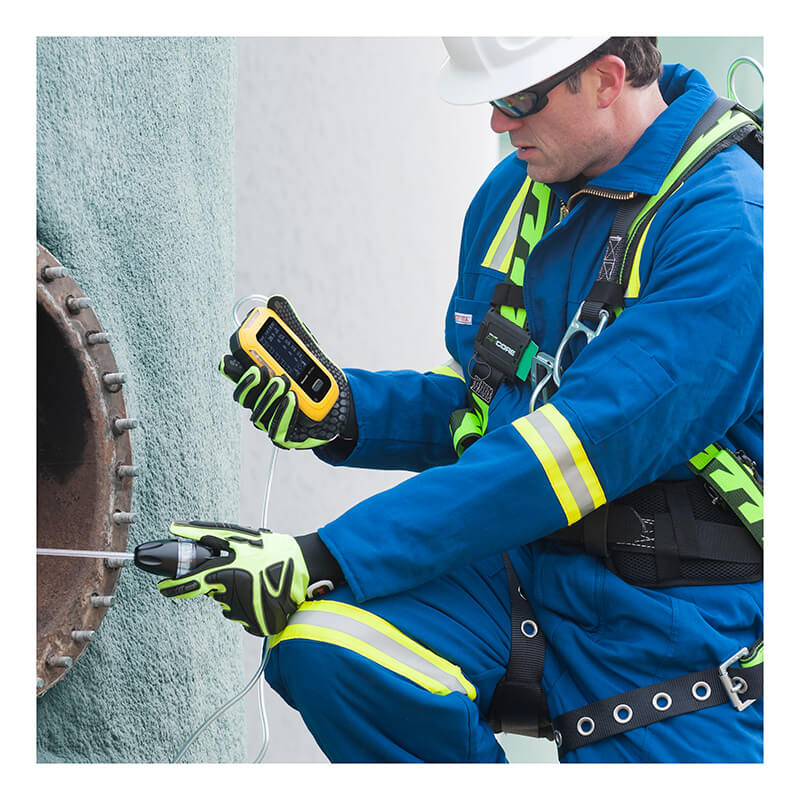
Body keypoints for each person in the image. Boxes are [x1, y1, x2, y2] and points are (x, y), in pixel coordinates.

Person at [159, 37, 763, 763]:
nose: (498, 125)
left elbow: (573, 450)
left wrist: (329, 555)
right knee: (329, 649)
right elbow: (486, 402)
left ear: (605, 80)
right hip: (522, 573)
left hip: (676, 627)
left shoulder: (729, 227)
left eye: (517, 100)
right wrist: (349, 413)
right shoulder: (516, 196)